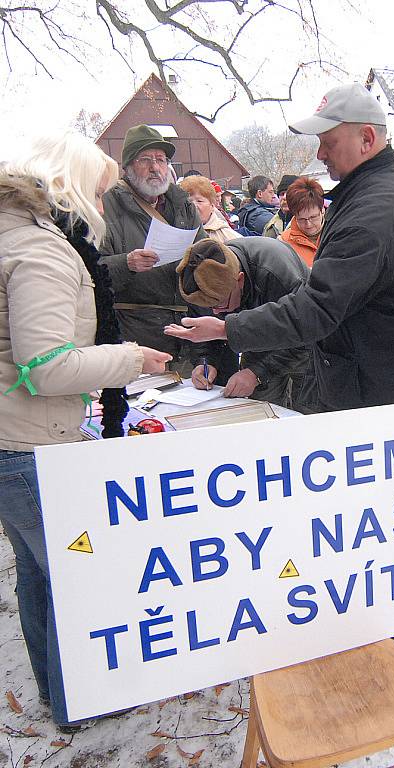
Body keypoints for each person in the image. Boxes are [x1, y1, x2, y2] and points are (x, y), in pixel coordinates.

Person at [0, 132, 171, 732]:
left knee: (40, 571)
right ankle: (81, 700)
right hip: (32, 443)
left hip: (13, 437)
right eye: (97, 194)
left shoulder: (8, 234)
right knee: (71, 578)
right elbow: (45, 367)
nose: (100, 207)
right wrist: (129, 360)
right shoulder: (41, 251)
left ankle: (56, 692)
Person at [164, 83, 394, 411]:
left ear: (367, 139)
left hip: (384, 389)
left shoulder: (375, 210)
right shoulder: (368, 195)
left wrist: (228, 328)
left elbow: (317, 308)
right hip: (373, 378)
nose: (320, 154)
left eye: (328, 143)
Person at [100, 124, 205, 363]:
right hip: (135, 334)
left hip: (185, 333)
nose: (155, 167)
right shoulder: (107, 205)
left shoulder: (183, 205)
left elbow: (203, 250)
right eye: (145, 159)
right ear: (127, 167)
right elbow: (89, 271)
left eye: (161, 159)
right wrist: (126, 263)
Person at [177, 237, 314, 411]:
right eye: (209, 306)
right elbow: (205, 327)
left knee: (306, 411)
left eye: (220, 305)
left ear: (239, 280)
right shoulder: (202, 278)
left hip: (306, 348)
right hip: (256, 344)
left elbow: (304, 330)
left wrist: (256, 373)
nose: (216, 313)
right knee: (258, 410)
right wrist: (205, 361)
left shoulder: (277, 273)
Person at [179, 174, 240, 244]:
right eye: (188, 201)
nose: (193, 206)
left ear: (212, 205)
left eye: (199, 201)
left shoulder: (228, 237)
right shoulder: (173, 232)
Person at [279, 177, 325, 267]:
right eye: (301, 219)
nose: (308, 224)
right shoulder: (284, 243)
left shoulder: (339, 233)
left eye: (313, 217)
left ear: (322, 209)